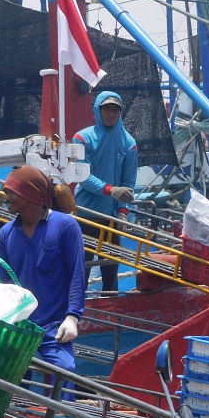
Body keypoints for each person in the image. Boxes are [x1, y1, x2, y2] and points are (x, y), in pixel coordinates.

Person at [0, 165, 85, 401]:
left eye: (11, 192)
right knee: (8, 382)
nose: (6, 198)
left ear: (30, 193)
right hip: (20, 325)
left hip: (54, 326)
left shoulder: (66, 226)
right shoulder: (6, 233)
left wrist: (73, 316)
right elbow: (5, 284)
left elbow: (77, 274)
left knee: (66, 371)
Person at [72, 91, 138, 292]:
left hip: (111, 219)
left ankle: (110, 314)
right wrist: (111, 190)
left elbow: (128, 184)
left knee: (111, 271)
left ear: (120, 112)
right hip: (84, 215)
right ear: (97, 110)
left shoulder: (130, 143)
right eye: (106, 108)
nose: (111, 113)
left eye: (115, 109)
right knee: (79, 270)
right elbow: (82, 175)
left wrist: (122, 212)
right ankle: (76, 311)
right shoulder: (81, 138)